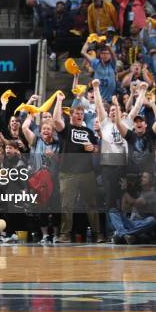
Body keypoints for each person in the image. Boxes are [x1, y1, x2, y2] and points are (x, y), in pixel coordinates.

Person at [52, 92, 104, 243]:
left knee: (91, 204)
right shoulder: (66, 129)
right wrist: (59, 100)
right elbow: (55, 119)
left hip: (87, 172)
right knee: (67, 205)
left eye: (82, 113)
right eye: (77, 113)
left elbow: (96, 148)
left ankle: (98, 233)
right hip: (67, 173)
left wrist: (93, 149)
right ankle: (65, 234)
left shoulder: (88, 131)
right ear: (71, 115)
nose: (80, 116)